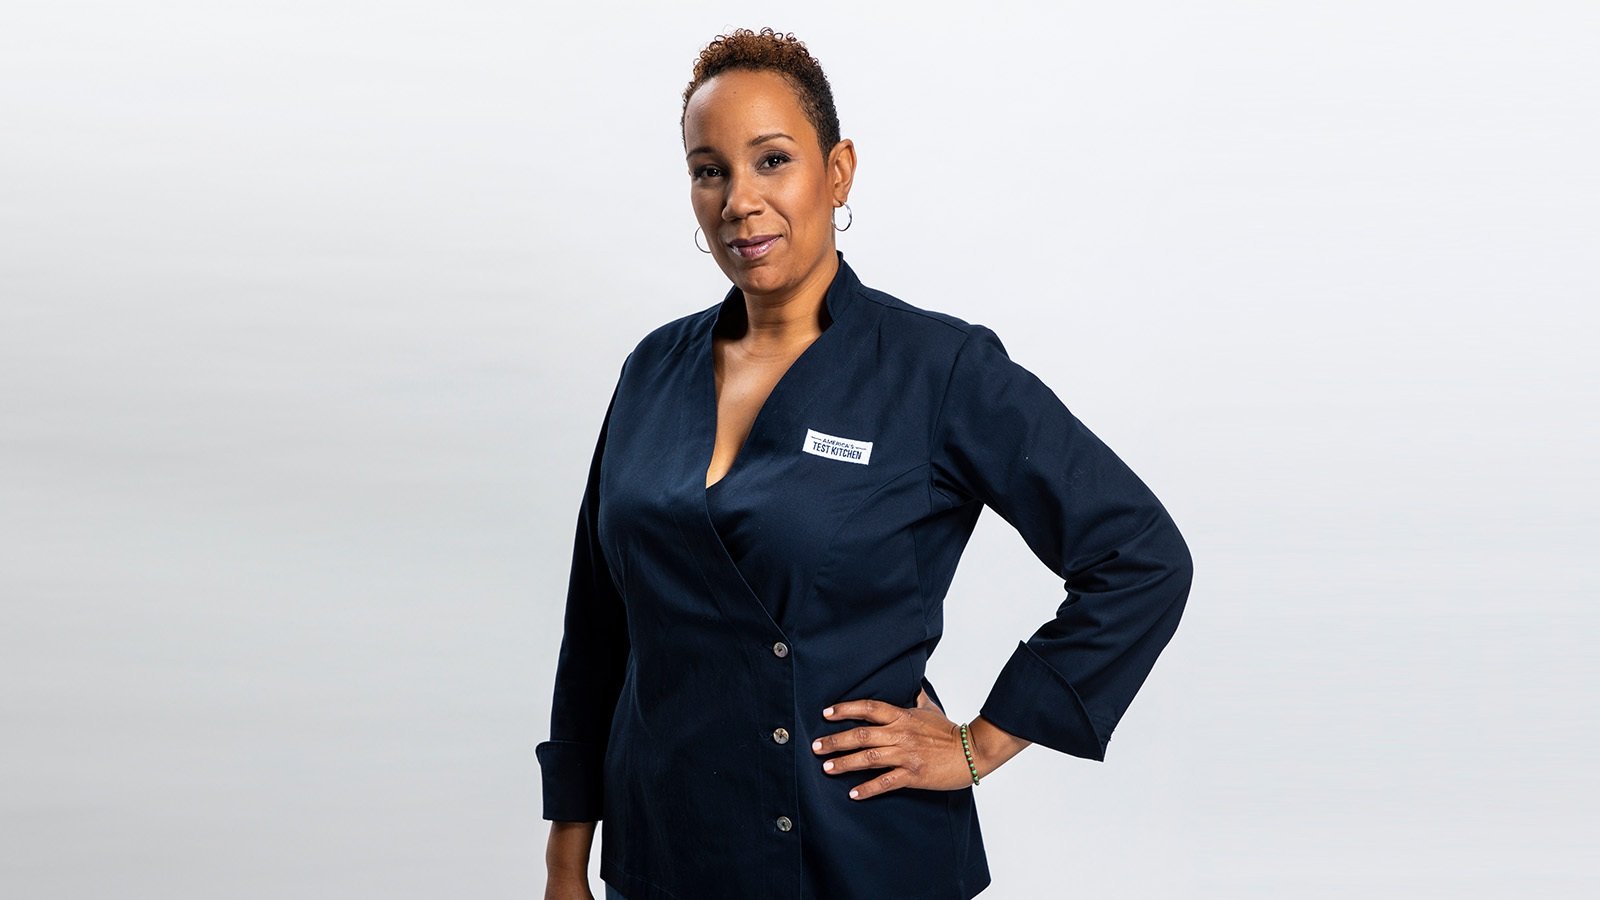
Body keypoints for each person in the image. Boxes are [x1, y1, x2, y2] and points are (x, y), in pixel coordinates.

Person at [538, 27, 1194, 900]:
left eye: (772, 160)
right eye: (710, 169)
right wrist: (564, 860)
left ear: (837, 171)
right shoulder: (653, 369)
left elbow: (1140, 557)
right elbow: (599, 629)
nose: (740, 199)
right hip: (663, 858)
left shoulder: (938, 369)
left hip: (859, 855)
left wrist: (980, 743)